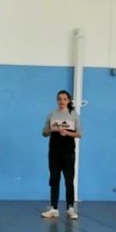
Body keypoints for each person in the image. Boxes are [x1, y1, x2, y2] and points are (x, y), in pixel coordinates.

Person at [40, 90, 82, 220]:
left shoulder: (73, 115)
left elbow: (79, 133)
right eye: (59, 99)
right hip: (54, 151)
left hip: (68, 152)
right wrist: (51, 129)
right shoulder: (52, 114)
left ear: (68, 100)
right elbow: (44, 132)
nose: (62, 101)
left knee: (69, 180)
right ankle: (54, 208)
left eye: (64, 99)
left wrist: (67, 133)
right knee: (54, 179)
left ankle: (70, 208)